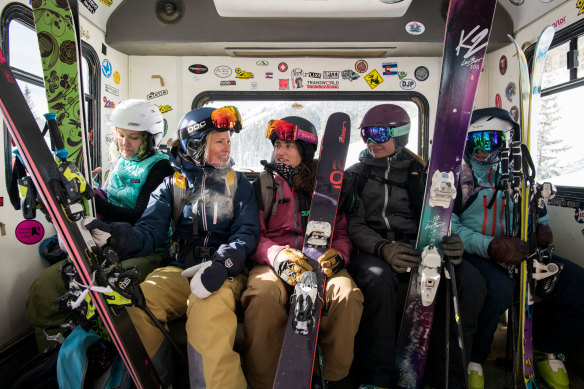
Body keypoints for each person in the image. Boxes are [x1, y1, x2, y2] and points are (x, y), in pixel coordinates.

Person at [86, 106, 259, 388]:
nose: (227, 148)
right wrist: (116, 236)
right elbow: (148, 231)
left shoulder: (237, 183)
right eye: (219, 141)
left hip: (224, 272)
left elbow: (246, 233)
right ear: (196, 144)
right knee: (139, 302)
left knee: (206, 314)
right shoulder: (172, 185)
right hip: (180, 269)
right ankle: (158, 380)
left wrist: (223, 263)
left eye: (228, 141)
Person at [340, 104, 486, 388]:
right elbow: (353, 223)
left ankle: (447, 374)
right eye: (366, 134)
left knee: (470, 281)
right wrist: (383, 248)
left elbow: (441, 215)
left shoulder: (423, 174)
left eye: (380, 134)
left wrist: (450, 242)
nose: (372, 141)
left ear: (400, 134)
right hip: (374, 249)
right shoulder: (355, 175)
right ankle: (376, 378)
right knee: (378, 280)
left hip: (418, 248)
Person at [25, 99, 173, 351]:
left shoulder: (160, 167)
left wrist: (93, 196)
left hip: (144, 246)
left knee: (110, 288)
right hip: (102, 240)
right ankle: (57, 354)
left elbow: (138, 215)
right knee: (44, 286)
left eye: (134, 138)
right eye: (121, 135)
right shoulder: (120, 163)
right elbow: (107, 200)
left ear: (150, 138)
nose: (125, 143)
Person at [452, 107, 584, 389]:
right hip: (480, 253)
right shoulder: (458, 179)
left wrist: (543, 230)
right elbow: (448, 225)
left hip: (523, 250)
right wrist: (490, 246)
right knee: (497, 290)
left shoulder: (520, 175)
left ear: (506, 143)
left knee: (576, 284)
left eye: (490, 142)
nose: (481, 151)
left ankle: (546, 345)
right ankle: (475, 356)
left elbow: (539, 209)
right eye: (474, 142)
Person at [242, 116, 364, 389]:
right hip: (275, 261)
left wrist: (339, 255)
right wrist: (275, 255)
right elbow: (253, 234)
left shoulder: (328, 186)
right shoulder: (263, 186)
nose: (280, 152)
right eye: (277, 146)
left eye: (288, 146)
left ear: (305, 152)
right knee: (261, 296)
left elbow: (342, 232)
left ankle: (333, 376)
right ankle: (265, 381)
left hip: (319, 260)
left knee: (348, 294)